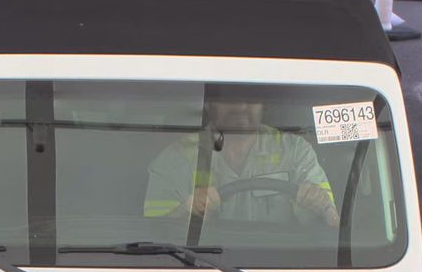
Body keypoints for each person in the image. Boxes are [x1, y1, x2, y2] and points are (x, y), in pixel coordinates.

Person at [143, 92, 340, 228]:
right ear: (208, 104)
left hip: (285, 268)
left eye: (250, 97)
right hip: (201, 268)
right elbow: (154, 235)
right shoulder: (176, 158)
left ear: (263, 104)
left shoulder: (295, 151)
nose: (240, 107)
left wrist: (318, 204)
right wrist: (186, 213)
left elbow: (332, 222)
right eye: (228, 98)